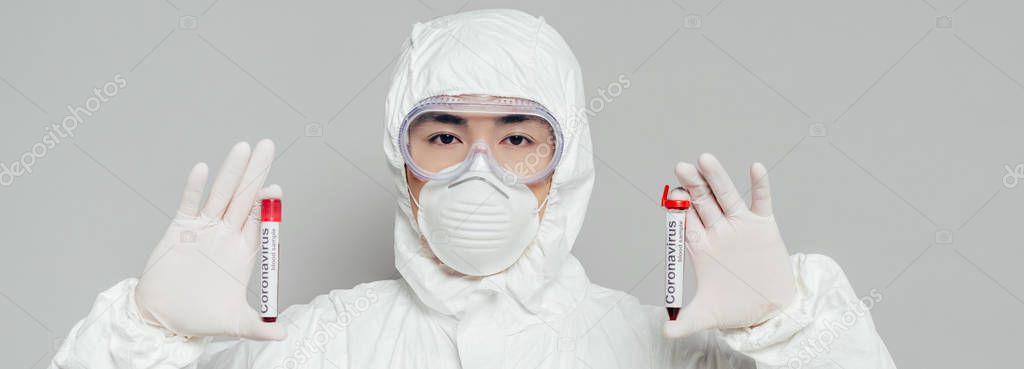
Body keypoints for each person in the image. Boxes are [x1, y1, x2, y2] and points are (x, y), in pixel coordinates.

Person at [51, 9, 896, 369]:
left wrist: (787, 324)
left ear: (565, 164)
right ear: (402, 157)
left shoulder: (666, 348)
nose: (477, 169)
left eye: (518, 139)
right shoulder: (321, 345)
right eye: (445, 136)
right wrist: (147, 335)